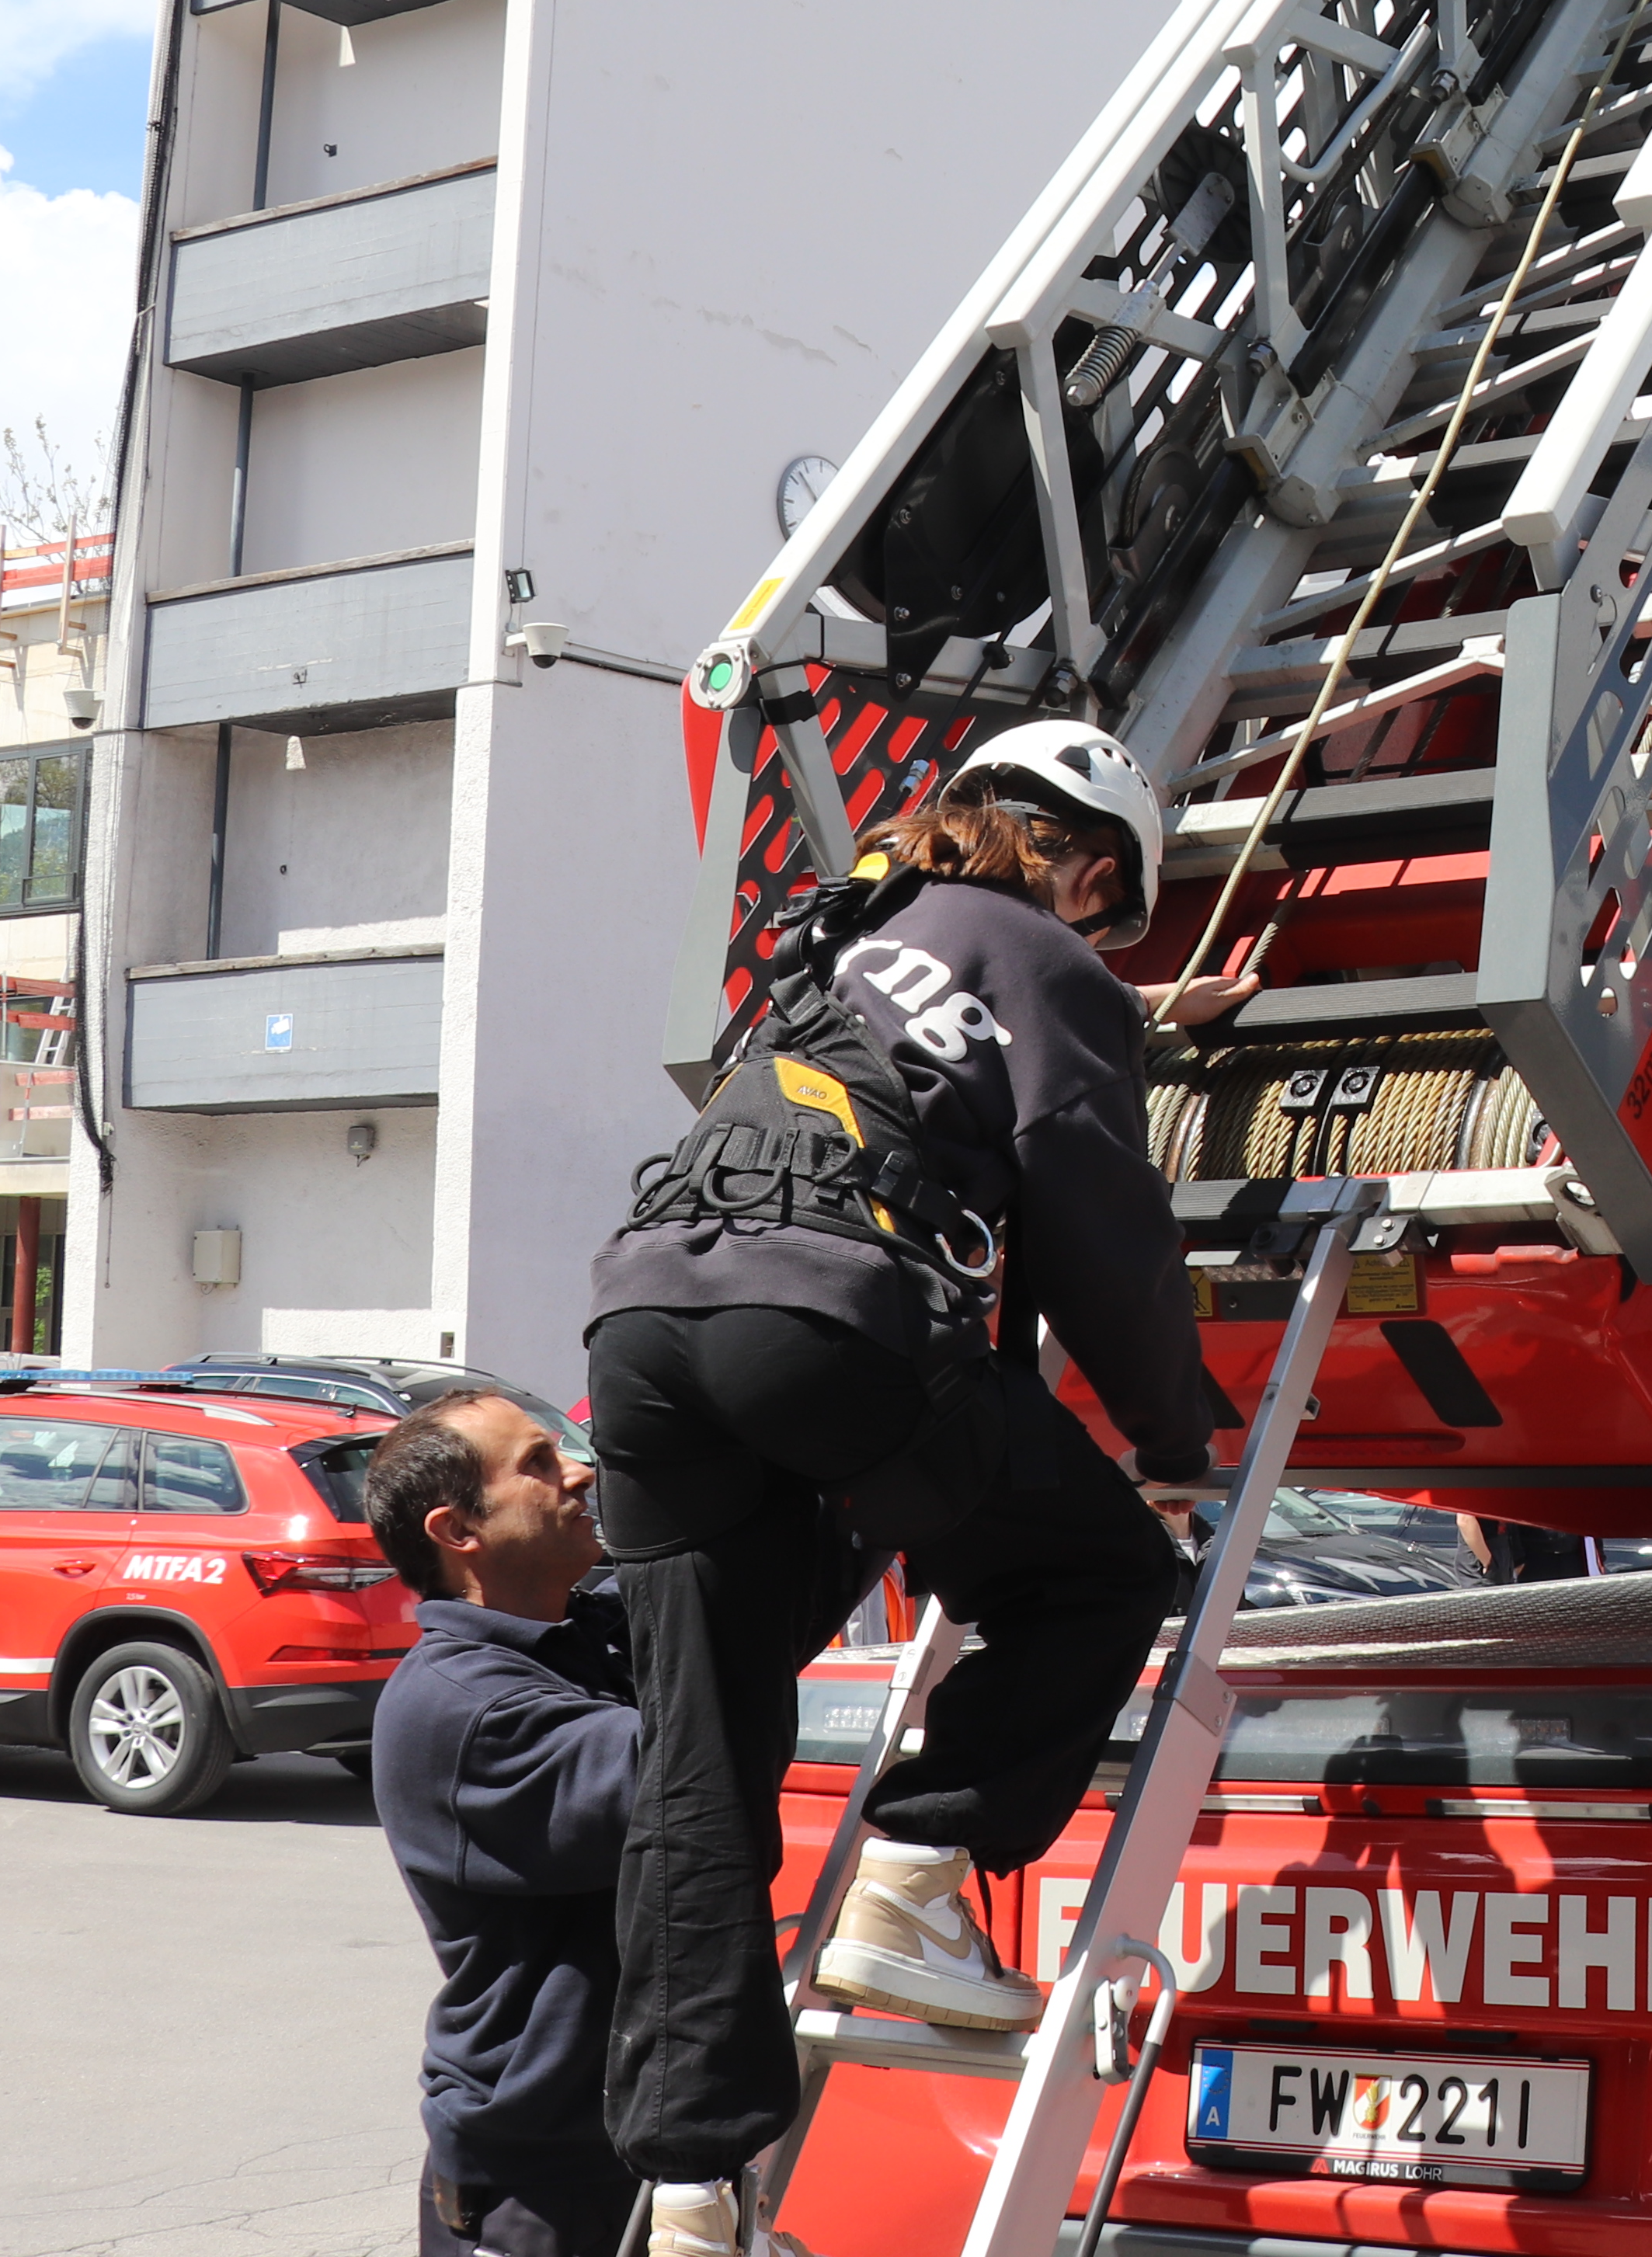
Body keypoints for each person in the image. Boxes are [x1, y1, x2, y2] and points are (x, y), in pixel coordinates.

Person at [585, 719, 1251, 2252]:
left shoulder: (858, 931)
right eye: (1107, 903)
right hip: (828, 1321)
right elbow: (1093, 1198)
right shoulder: (1045, 953)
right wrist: (1168, 1435)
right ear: (1088, 863)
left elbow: (938, 1042)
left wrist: (1124, 1009)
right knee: (1094, 1572)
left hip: (647, 1328)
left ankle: (692, 2187)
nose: (1098, 933)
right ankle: (915, 1873)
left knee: (703, 1747)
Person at [364, 1389, 637, 2257]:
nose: (580, 1472)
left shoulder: (595, 1635)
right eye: (539, 1466)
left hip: (633, 2145)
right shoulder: (461, 1705)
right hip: (538, 2179)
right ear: (457, 1531)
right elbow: (681, 1770)